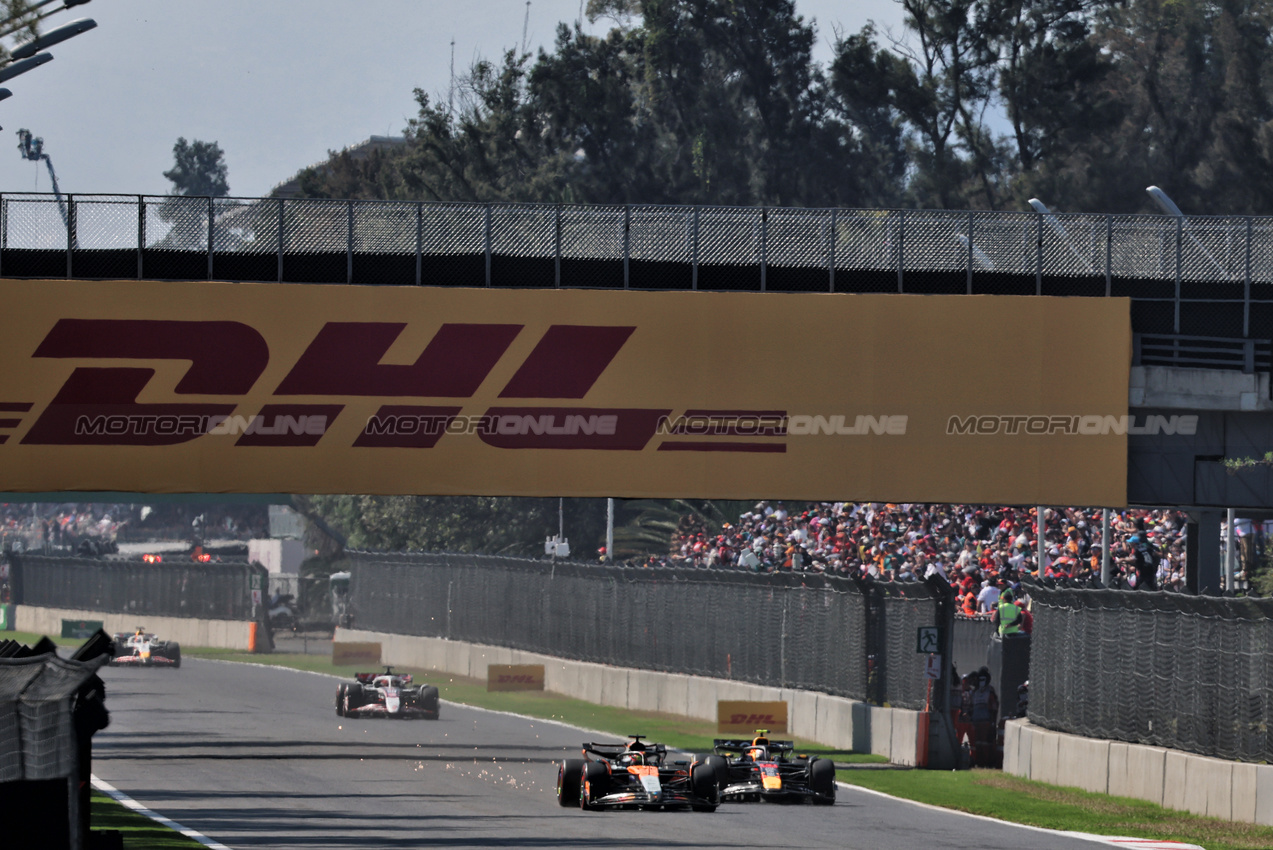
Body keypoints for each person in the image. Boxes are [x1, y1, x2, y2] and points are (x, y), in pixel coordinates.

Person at [969, 667, 999, 767]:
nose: (981, 682)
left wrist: (993, 721)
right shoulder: (975, 692)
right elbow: (970, 706)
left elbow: (994, 707)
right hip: (976, 721)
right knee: (977, 743)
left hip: (986, 721)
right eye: (980, 679)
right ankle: (978, 761)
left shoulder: (990, 691)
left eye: (983, 679)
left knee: (986, 742)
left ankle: (987, 761)